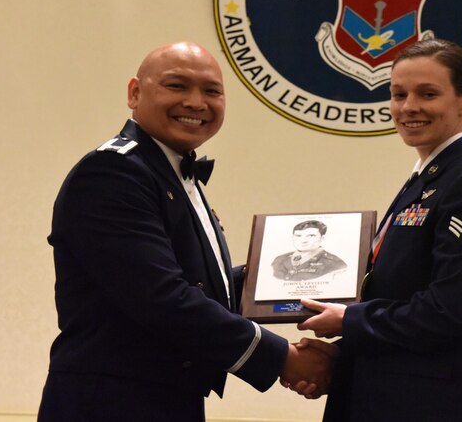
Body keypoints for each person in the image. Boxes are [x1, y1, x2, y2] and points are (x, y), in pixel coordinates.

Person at [38, 42, 333, 421]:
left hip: (160, 397)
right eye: (177, 86)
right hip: (112, 401)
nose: (196, 102)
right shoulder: (114, 172)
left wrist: (290, 277)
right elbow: (162, 298)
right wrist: (283, 358)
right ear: (134, 93)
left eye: (212, 91)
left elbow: (193, 284)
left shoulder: (166, 170)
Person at [291, 38, 462, 421]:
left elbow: (449, 312)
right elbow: (393, 293)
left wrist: (349, 321)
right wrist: (345, 352)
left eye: (428, 94)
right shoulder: (429, 178)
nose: (409, 107)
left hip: (440, 407)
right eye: (398, 94)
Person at [271, 220, 347, 281]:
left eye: (311, 236)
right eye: (298, 236)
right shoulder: (279, 260)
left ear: (322, 238)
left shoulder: (336, 264)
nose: (303, 241)